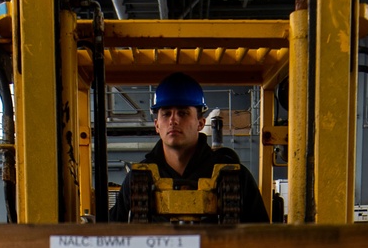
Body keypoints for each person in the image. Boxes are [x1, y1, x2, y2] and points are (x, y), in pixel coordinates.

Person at [110, 72, 269, 223]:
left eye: (183, 113)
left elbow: (262, 240)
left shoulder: (238, 177)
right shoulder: (136, 179)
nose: (173, 120)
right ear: (157, 125)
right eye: (166, 114)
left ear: (201, 123)